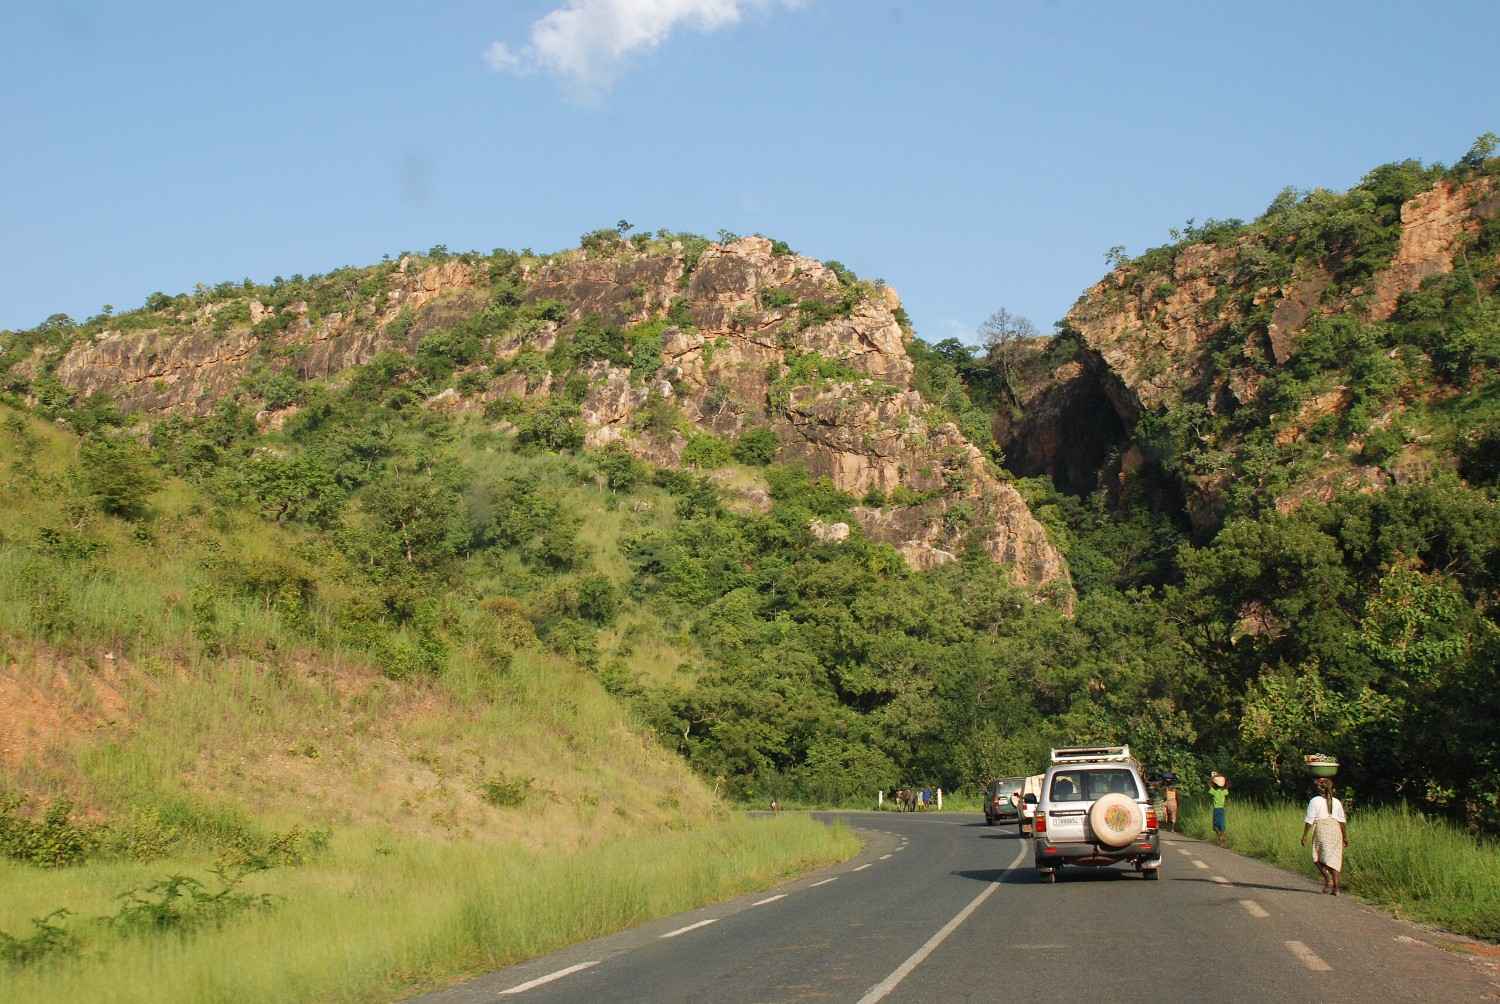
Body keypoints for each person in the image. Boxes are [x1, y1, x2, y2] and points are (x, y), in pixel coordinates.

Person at [1300, 777, 1348, 895]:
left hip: (1323, 829)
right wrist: (1345, 837)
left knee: (1317, 857)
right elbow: (1342, 821)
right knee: (1334, 859)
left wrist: (1304, 835)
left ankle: (1328, 880)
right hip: (1336, 829)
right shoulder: (1336, 801)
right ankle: (1336, 888)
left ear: (1319, 788)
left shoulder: (1315, 800)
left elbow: (1309, 820)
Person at [1210, 772, 1229, 846]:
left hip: (1216, 810)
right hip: (1222, 809)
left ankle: (1220, 837)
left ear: (1215, 784)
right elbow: (1227, 787)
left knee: (1215, 827)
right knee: (1222, 825)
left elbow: (1210, 786)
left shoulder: (1214, 792)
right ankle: (1222, 839)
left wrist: (1212, 778)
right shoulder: (1224, 791)